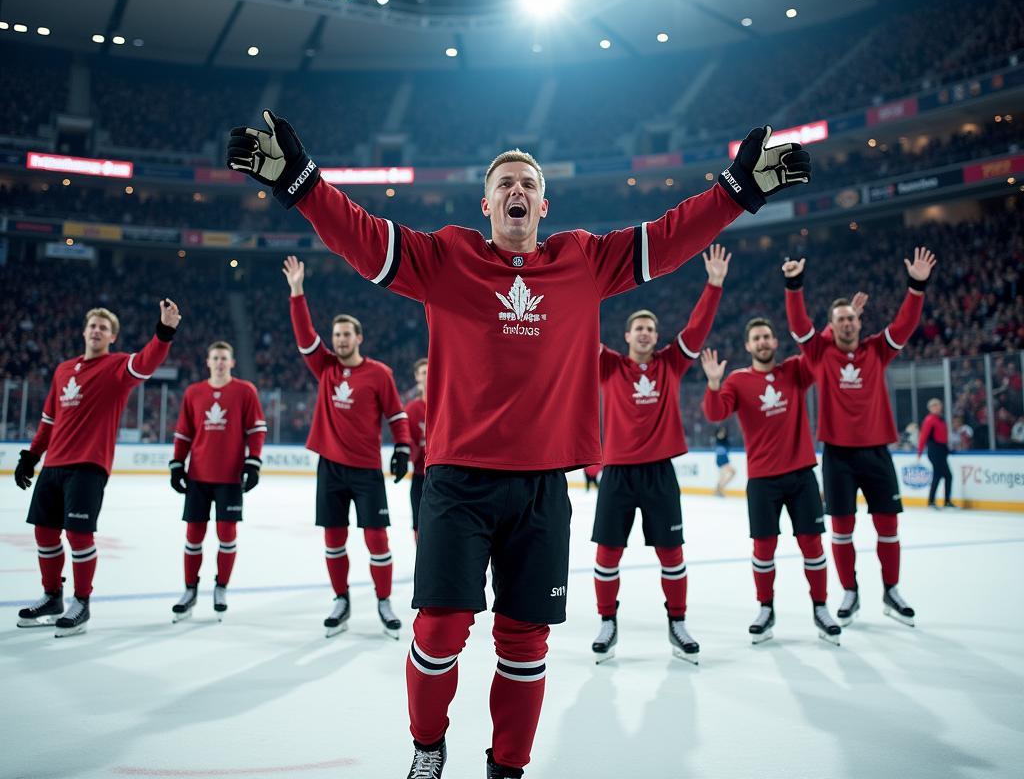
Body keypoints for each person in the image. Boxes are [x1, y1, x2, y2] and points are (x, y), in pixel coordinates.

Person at [228, 111, 809, 779]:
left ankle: (507, 767)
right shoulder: (448, 258)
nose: (517, 191)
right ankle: (426, 744)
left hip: (541, 488)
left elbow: (669, 237)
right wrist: (302, 184)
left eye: (527, 184)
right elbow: (362, 238)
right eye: (505, 182)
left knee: (525, 642)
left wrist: (736, 191)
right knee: (439, 632)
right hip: (454, 484)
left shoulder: (583, 260)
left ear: (542, 203)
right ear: (486, 204)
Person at [589, 243, 730, 666]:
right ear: (628, 336)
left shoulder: (671, 364)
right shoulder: (609, 366)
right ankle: (607, 621)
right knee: (606, 555)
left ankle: (678, 622)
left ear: (656, 335)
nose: (646, 333)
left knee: (671, 553)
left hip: (659, 473)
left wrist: (715, 285)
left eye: (652, 328)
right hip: (616, 473)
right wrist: (581, 292)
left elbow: (697, 330)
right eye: (639, 328)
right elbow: (578, 330)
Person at [783, 247, 936, 628]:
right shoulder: (819, 354)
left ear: (859, 321)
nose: (848, 324)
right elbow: (799, 324)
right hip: (837, 456)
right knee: (842, 529)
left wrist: (916, 286)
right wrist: (794, 286)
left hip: (877, 454)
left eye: (852, 318)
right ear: (832, 327)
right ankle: (850, 592)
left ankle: (891, 590)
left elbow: (904, 324)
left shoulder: (876, 350)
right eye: (841, 320)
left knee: (888, 527)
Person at [14, 300, 181, 637]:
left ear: (112, 337)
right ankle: (51, 597)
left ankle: (82, 602)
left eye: (104, 328)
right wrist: (31, 457)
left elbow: (148, 360)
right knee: (44, 533)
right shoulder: (63, 370)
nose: (97, 331)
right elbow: (49, 420)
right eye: (93, 325)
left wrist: (164, 331)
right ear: (84, 331)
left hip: (89, 465)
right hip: (54, 464)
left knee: (78, 535)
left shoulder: (117, 367)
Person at [282, 255, 411, 639]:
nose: (338, 340)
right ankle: (341, 600)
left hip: (367, 470)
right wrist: (297, 292)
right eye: (335, 334)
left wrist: (402, 449)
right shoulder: (324, 367)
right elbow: (305, 335)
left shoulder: (379, 373)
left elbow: (397, 415)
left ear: (359, 338)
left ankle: (384, 602)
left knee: (377, 541)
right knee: (334, 540)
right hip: (331, 469)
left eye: (345, 334)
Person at [701, 319, 841, 646]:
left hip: (802, 474)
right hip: (762, 479)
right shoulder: (737, 381)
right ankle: (766, 609)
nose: (762, 342)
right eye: (756, 338)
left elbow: (816, 351)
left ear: (776, 342)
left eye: (767, 336)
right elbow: (715, 413)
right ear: (748, 346)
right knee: (764, 550)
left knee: (813, 546)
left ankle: (821, 608)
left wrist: (834, 325)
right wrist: (712, 384)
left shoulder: (794, 370)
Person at [168, 341, 267, 620]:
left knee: (226, 535)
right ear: (208, 362)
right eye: (216, 358)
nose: (220, 362)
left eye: (224, 358)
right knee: (193, 537)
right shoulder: (194, 392)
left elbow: (257, 429)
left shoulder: (245, 391)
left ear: (232, 363)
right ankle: (189, 589)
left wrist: (253, 461)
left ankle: (221, 587)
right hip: (198, 476)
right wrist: (177, 464)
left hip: (230, 478)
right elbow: (183, 433)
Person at [405, 358, 428, 541]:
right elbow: (410, 449)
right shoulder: (412, 409)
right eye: (423, 373)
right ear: (416, 377)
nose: (427, 377)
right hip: (420, 477)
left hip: (446, 476)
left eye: (430, 371)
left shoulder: (448, 404)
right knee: (419, 526)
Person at [917, 398, 954, 509]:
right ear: (930, 408)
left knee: (941, 476)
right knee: (946, 475)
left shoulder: (940, 419)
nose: (937, 407)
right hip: (935, 450)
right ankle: (938, 501)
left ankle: (935, 501)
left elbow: (944, 435)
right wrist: (919, 451)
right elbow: (923, 436)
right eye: (934, 406)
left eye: (938, 405)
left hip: (942, 450)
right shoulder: (930, 420)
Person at [713, 426, 735, 497]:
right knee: (730, 473)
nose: (722, 433)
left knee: (723, 475)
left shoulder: (724, 439)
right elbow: (719, 437)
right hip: (721, 458)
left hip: (724, 457)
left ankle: (719, 489)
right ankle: (719, 489)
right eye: (721, 431)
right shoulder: (719, 438)